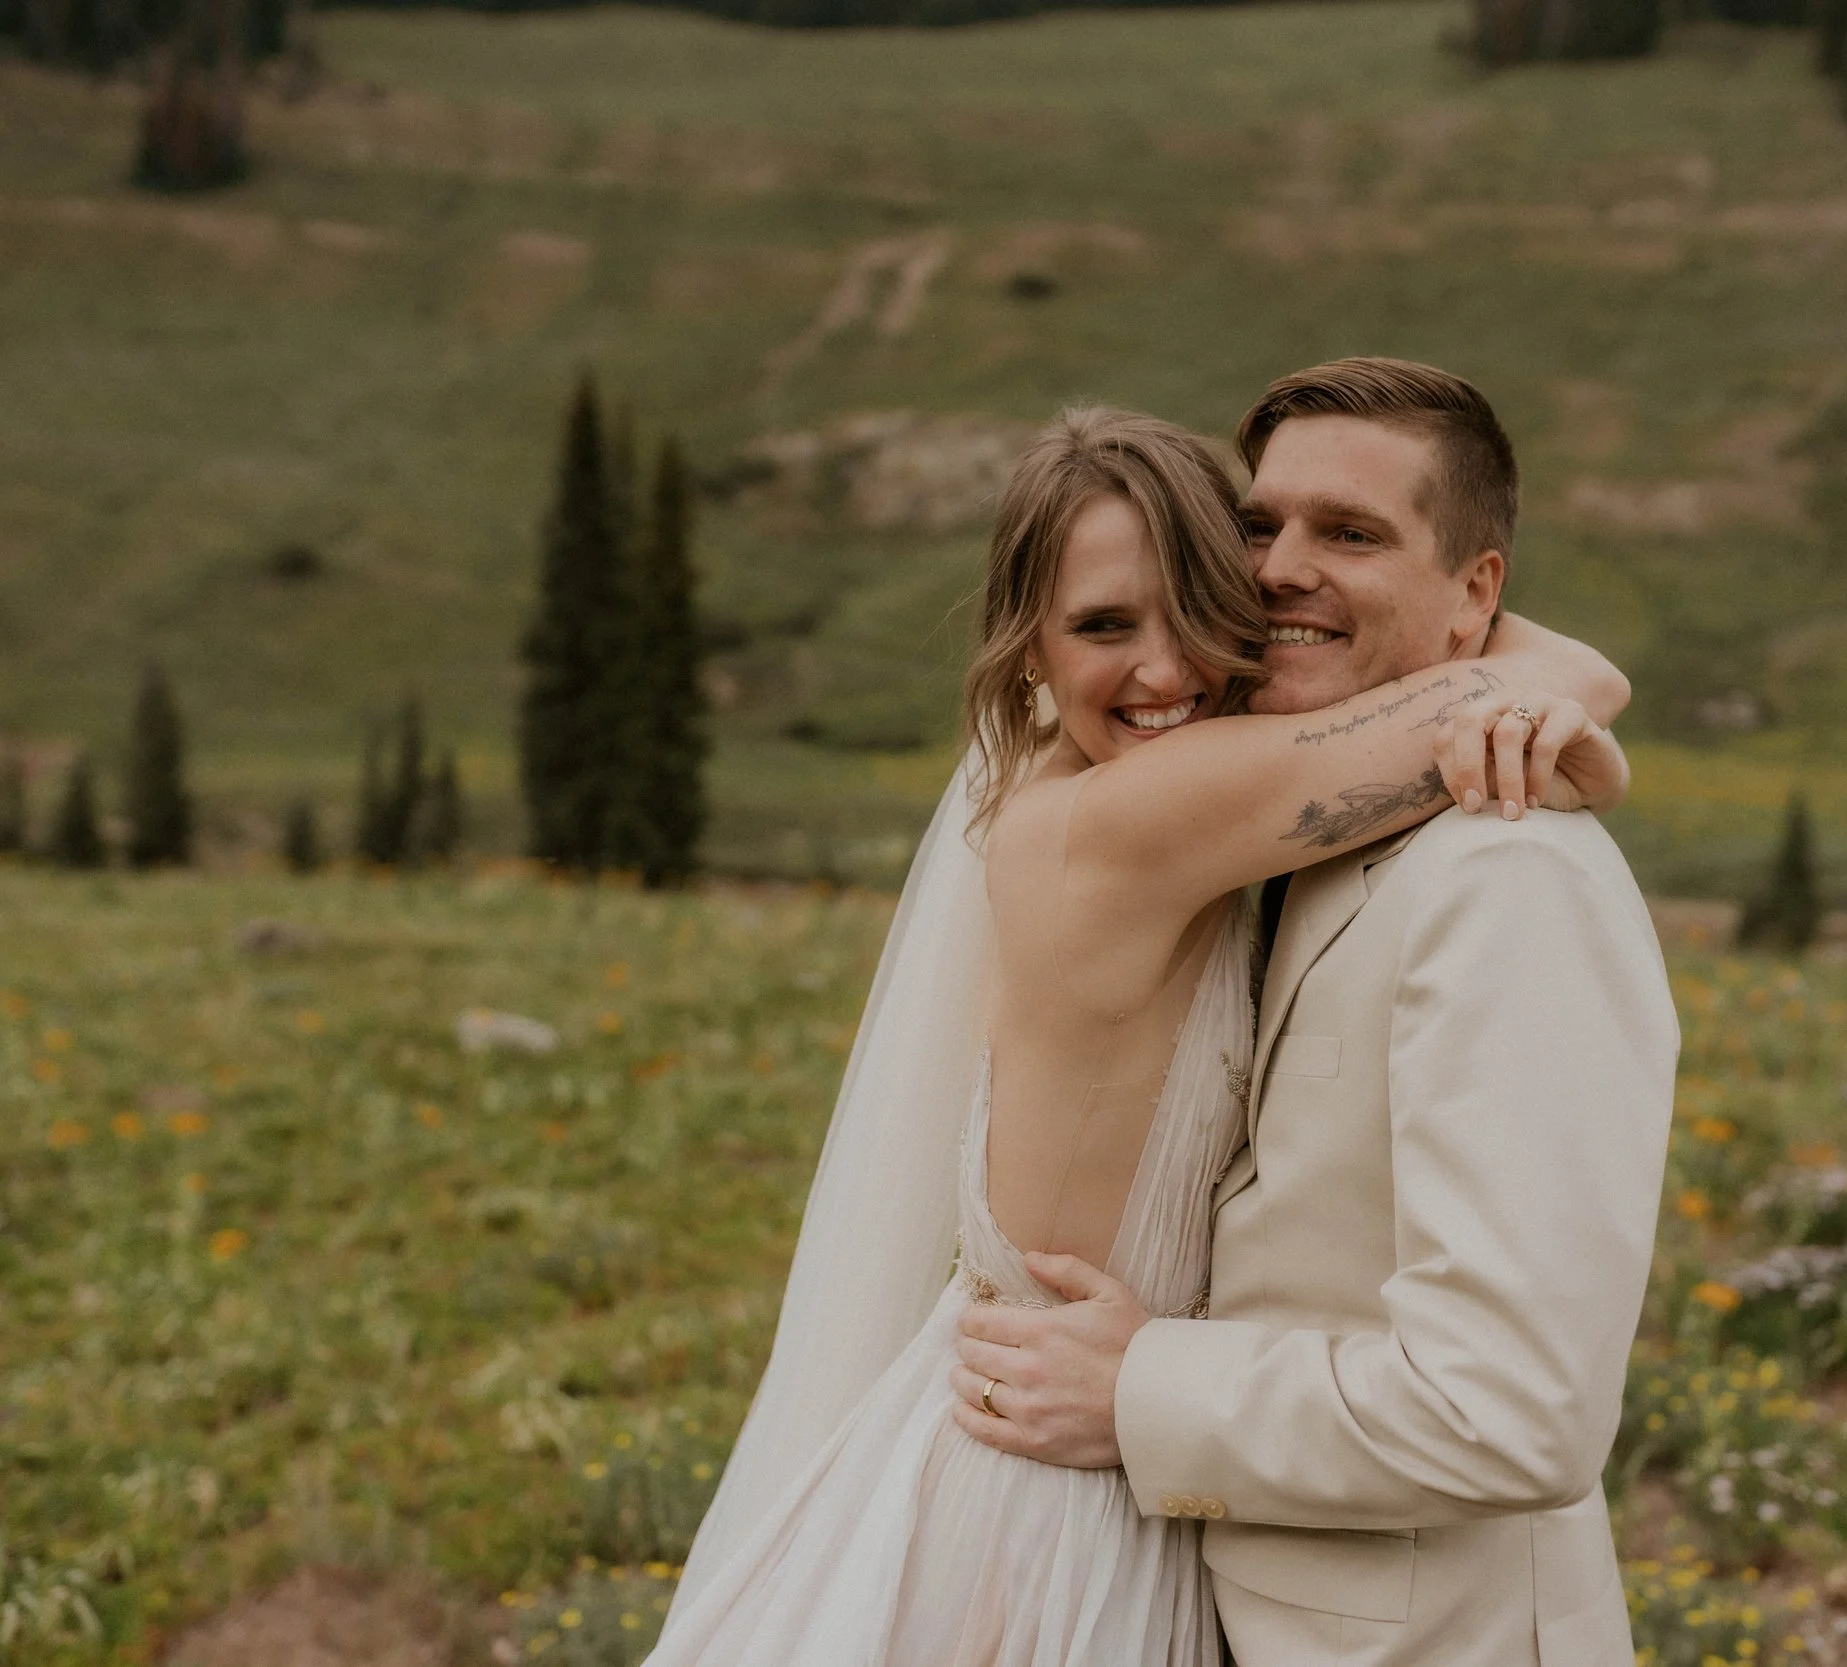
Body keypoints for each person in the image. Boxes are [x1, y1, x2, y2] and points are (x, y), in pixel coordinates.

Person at [644, 396, 1632, 1667]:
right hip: (1046, 1489)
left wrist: (1518, 680)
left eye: (1205, 613)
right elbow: (1559, 671)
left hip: (1141, 1466)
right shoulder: (1119, 822)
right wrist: (1550, 697)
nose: (1165, 674)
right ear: (1026, 654)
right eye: (1102, 626)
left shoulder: (1187, 797)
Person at [951, 361, 1681, 1667]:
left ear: (1478, 595)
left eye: (1349, 533)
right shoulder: (1258, 822)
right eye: (1257, 524)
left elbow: (1514, 1408)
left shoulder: (1509, 880)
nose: (1282, 566)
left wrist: (1142, 1387)